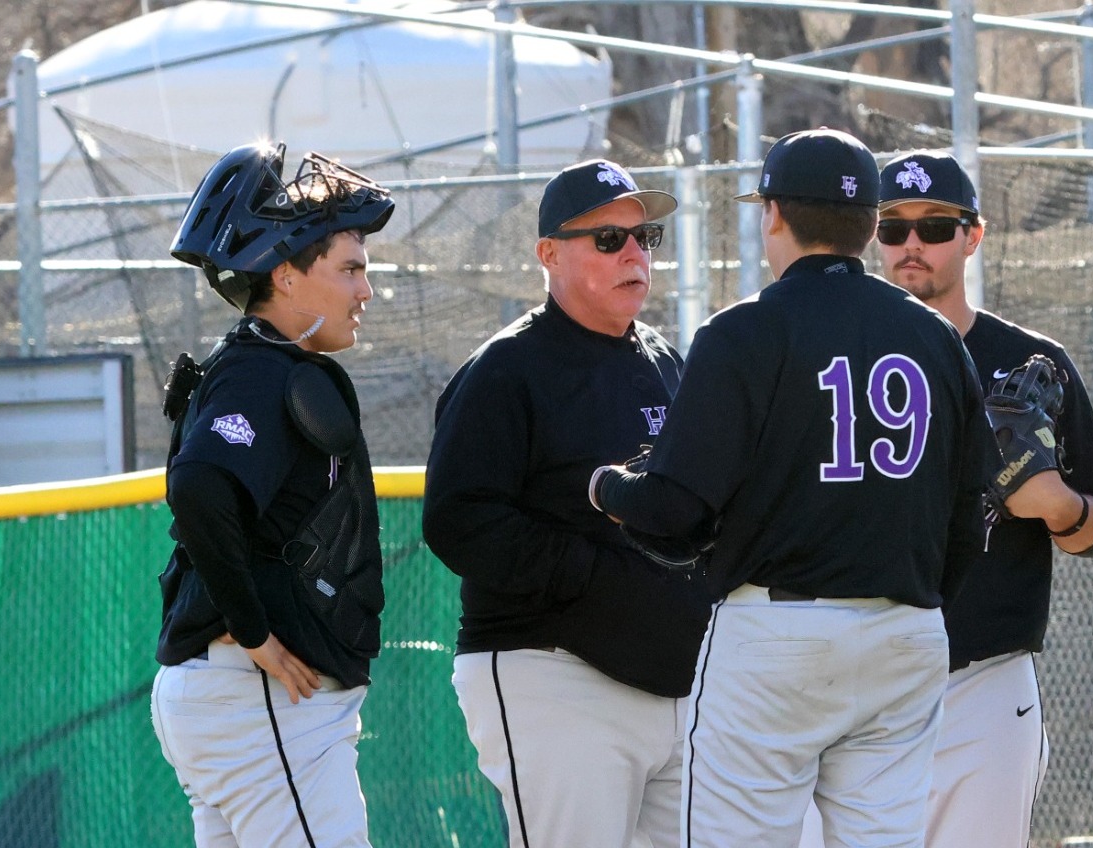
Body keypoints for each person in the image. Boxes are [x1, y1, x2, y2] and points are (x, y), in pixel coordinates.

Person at [589, 128, 996, 848]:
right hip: (905, 630)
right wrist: (914, 602)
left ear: (773, 213)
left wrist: (607, 488)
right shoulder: (936, 337)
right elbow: (973, 513)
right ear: (870, 223)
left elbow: (674, 510)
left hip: (777, 634)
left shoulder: (743, 330)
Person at [421, 159, 713, 848]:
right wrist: (593, 576)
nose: (634, 253)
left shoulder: (664, 361)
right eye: (608, 239)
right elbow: (458, 519)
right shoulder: (506, 369)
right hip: (552, 672)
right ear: (548, 254)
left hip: (672, 681)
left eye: (644, 237)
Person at [851, 151, 1093, 848]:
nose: (911, 244)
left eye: (936, 226)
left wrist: (1058, 505)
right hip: (858, 677)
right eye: (893, 227)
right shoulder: (841, 360)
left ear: (973, 235)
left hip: (984, 680)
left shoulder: (1030, 359)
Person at [153, 142, 394, 847]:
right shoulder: (261, 371)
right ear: (286, 275)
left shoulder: (255, 363)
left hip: (236, 700)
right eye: (349, 269)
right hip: (261, 699)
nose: (365, 291)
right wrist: (256, 635)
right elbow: (199, 489)